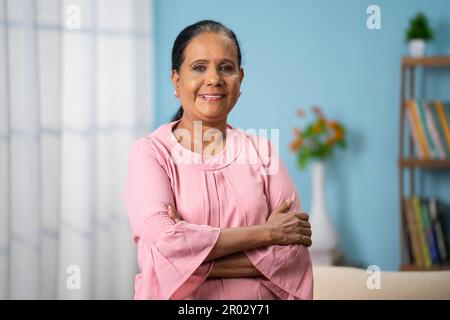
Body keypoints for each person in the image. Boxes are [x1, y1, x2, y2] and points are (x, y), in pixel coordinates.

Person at [121, 20, 313, 300]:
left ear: (240, 78)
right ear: (176, 80)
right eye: (199, 67)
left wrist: (187, 258)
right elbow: (163, 246)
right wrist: (268, 234)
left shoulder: (263, 152)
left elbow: (293, 254)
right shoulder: (150, 154)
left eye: (226, 68)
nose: (214, 79)